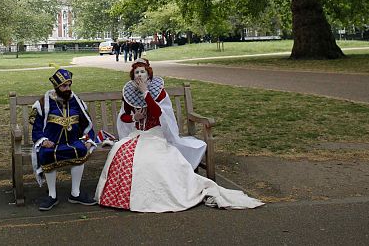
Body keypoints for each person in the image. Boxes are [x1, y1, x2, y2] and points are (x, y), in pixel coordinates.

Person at [95, 58, 264, 212]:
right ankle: (122, 197)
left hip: (155, 134)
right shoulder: (130, 93)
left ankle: (154, 196)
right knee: (120, 151)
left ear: (148, 74)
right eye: (137, 72)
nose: (139, 75)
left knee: (149, 159)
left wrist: (146, 93)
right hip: (137, 134)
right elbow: (124, 115)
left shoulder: (158, 91)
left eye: (142, 72)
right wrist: (134, 117)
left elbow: (157, 112)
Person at [30, 68, 99, 211]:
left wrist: (87, 139)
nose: (67, 89)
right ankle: (52, 195)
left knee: (80, 150)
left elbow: (87, 124)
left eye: (69, 85)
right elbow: (36, 128)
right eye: (64, 86)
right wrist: (43, 141)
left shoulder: (76, 101)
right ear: (56, 86)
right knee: (47, 154)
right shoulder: (44, 103)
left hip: (73, 141)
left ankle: (75, 193)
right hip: (52, 143)